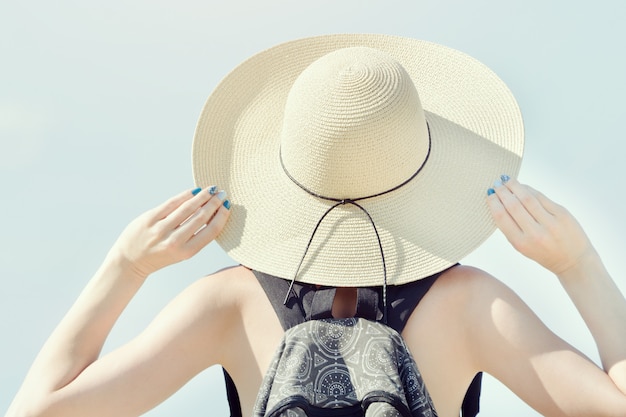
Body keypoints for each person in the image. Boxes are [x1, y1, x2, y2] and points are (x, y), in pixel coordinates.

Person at [6, 34, 626, 417]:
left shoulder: (227, 304)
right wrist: (579, 265)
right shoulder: (473, 307)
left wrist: (126, 266)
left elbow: (38, 411)